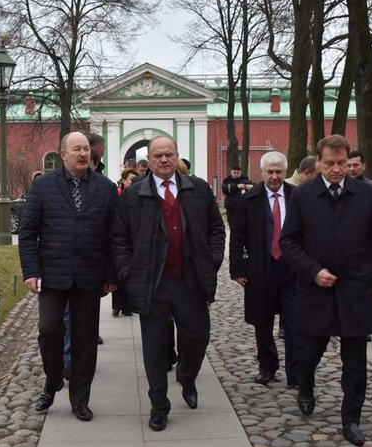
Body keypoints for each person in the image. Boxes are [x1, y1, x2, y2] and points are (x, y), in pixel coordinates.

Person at [279, 134, 372, 447]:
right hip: (316, 289)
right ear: (318, 162)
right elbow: (289, 242)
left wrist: (368, 272)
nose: (337, 169)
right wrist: (313, 271)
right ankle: (306, 385)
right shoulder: (303, 196)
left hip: (356, 290)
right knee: (310, 352)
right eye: (329, 163)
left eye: (342, 163)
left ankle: (351, 417)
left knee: (355, 359)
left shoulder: (367, 194)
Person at [111, 135, 225, 432]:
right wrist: (127, 272)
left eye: (169, 154)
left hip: (190, 282)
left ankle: (187, 378)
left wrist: (211, 260)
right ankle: (159, 406)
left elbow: (216, 228)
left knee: (197, 338)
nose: (164, 160)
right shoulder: (135, 195)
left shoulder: (197, 189)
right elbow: (120, 239)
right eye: (158, 155)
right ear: (148, 160)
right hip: (153, 284)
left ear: (176, 157)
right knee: (155, 348)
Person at [18, 132, 119, 422]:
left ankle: (80, 399)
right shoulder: (43, 186)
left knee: (85, 340)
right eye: (76, 149)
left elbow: (114, 236)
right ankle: (52, 381)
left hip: (89, 276)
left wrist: (111, 274)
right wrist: (31, 271)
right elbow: (28, 233)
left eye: (86, 149)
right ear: (62, 155)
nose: (83, 154)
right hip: (52, 274)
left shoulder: (105, 188)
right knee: (49, 330)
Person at [230, 151, 299, 388]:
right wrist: (238, 268)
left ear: (285, 172)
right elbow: (237, 236)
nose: (274, 176)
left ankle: (295, 371)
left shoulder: (297, 197)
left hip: (291, 270)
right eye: (270, 171)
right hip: (260, 268)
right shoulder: (249, 199)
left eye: (279, 171)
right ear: (262, 173)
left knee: (294, 322)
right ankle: (267, 366)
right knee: (263, 322)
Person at [111, 169, 139, 317]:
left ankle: (128, 305)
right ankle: (116, 305)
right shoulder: (117, 195)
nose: (133, 183)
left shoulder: (138, 196)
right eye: (131, 180)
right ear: (123, 181)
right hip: (119, 239)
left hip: (134, 241)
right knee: (118, 275)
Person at [221, 166, 254, 230]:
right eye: (234, 173)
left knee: (243, 227)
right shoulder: (227, 181)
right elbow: (224, 189)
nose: (236, 175)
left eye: (237, 173)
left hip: (243, 208)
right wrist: (236, 187)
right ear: (231, 173)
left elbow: (254, 188)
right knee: (233, 227)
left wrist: (246, 186)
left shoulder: (245, 180)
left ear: (240, 173)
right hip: (231, 209)